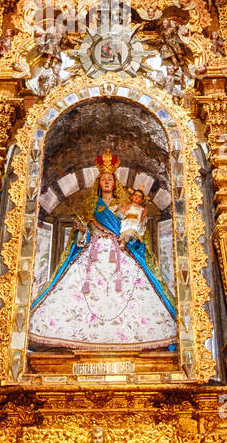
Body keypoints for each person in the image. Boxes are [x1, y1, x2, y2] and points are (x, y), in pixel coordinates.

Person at [29, 149, 176, 352]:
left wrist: (131, 236)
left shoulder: (124, 206)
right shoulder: (89, 205)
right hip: (94, 254)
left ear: (115, 183)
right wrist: (82, 231)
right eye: (103, 179)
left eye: (110, 179)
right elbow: (80, 240)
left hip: (120, 253)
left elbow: (134, 232)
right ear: (99, 182)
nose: (107, 182)